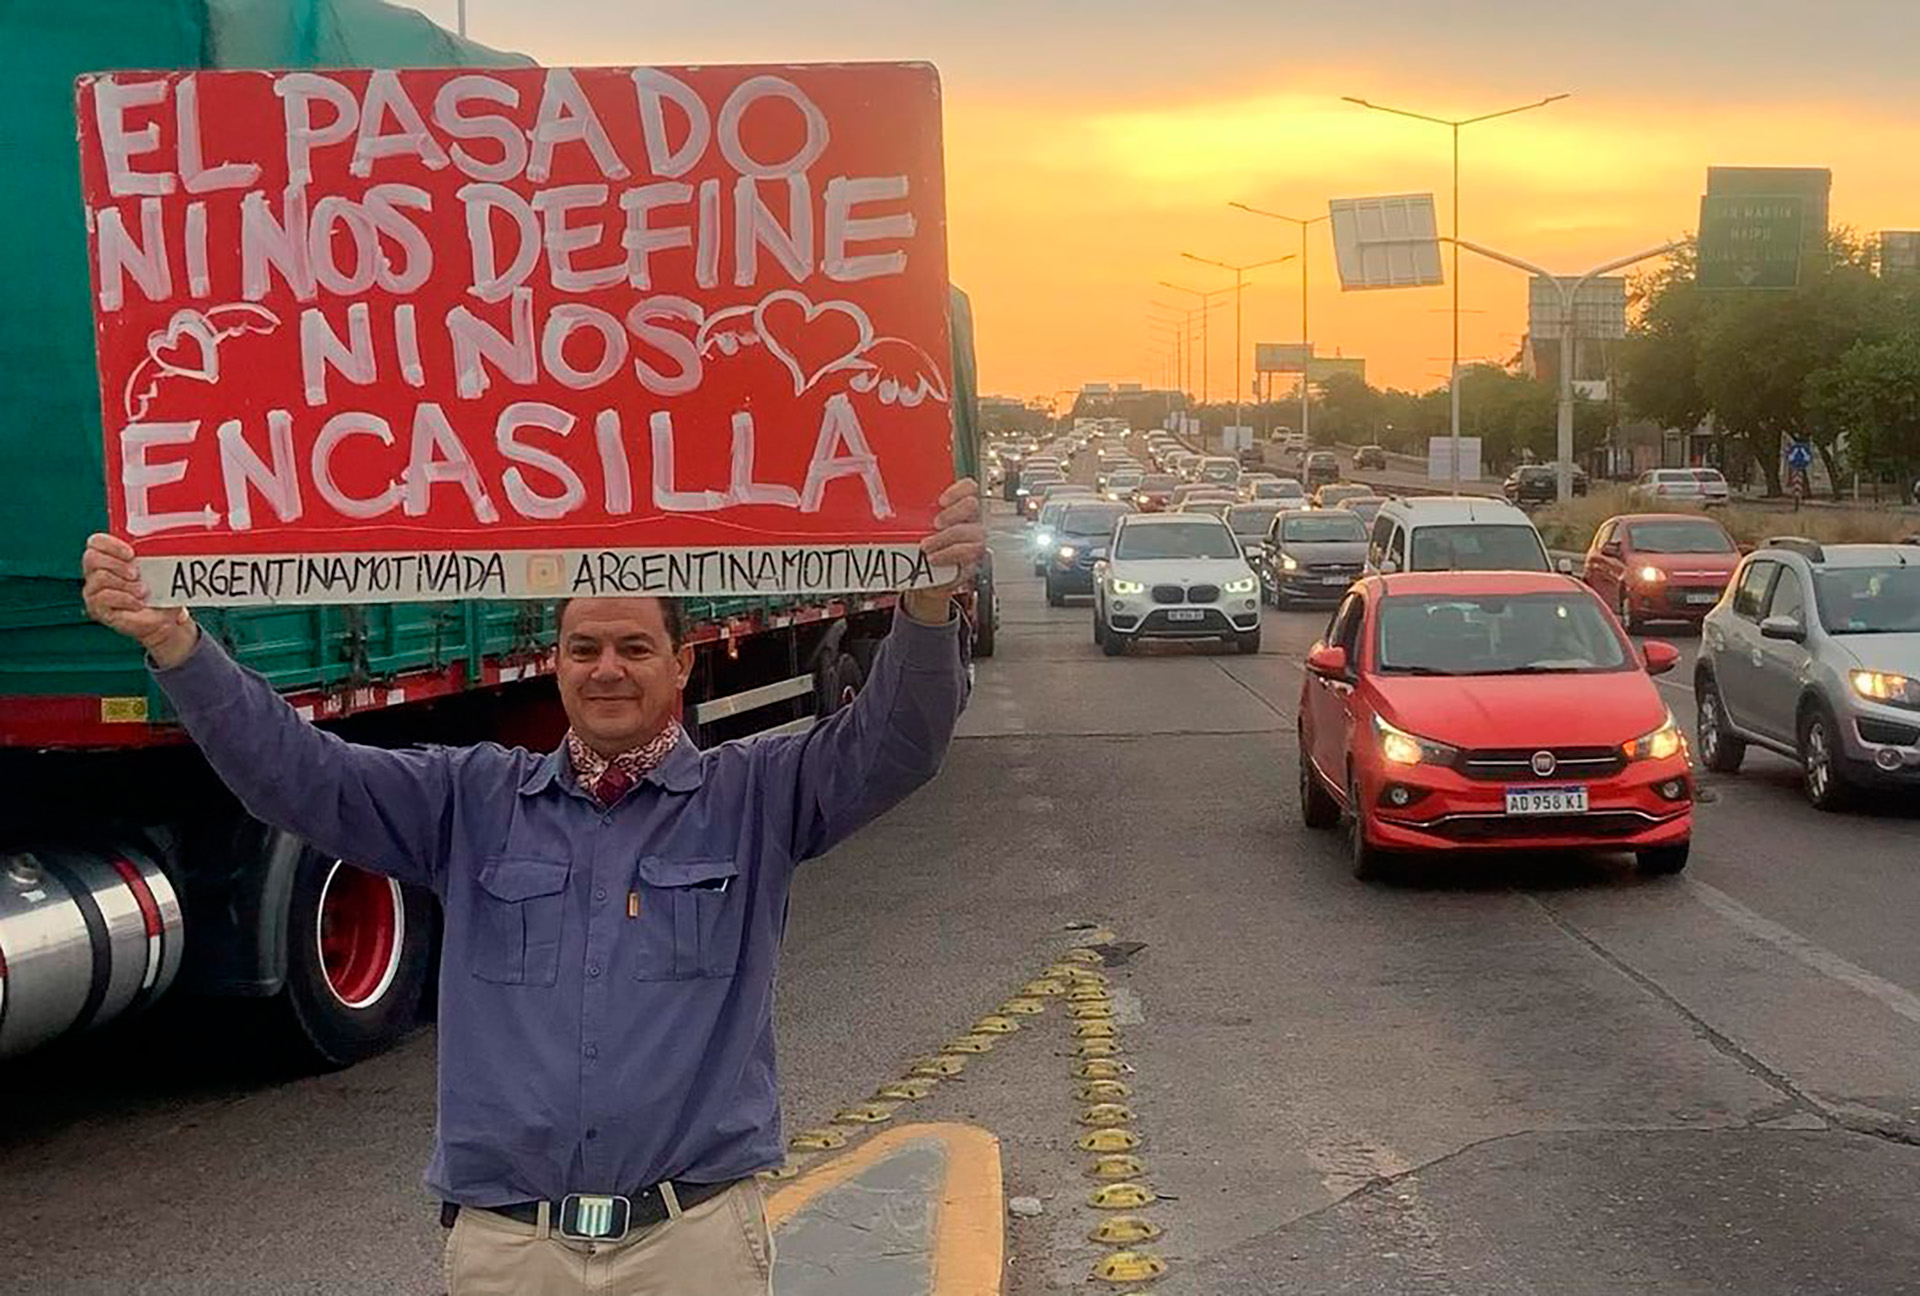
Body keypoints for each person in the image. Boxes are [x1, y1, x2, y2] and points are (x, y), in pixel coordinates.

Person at [79, 479, 987, 1296]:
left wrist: (927, 602)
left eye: (635, 646)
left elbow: (897, 745)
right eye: (583, 647)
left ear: (682, 663)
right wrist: (178, 645)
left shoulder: (756, 797)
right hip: (513, 1253)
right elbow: (300, 776)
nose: (607, 668)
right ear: (555, 663)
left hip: (692, 1247)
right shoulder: (468, 801)